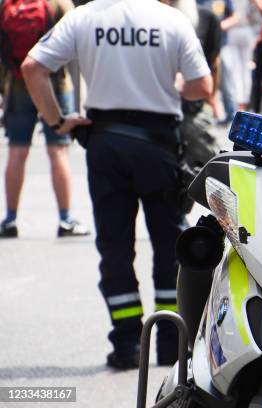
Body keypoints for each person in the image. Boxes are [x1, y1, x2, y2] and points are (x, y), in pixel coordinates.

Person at [22, 0, 212, 369]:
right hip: (158, 144)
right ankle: (171, 344)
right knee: (169, 245)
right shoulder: (170, 19)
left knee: (114, 246)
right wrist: (171, 84)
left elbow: (33, 67)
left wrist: (57, 121)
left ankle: (126, 344)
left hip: (106, 142)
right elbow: (201, 86)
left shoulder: (83, 17)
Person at [0, 0, 89, 238]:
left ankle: (10, 219)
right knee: (57, 151)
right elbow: (77, 48)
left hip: (17, 82)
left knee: (17, 151)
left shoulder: (8, 3)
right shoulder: (58, 3)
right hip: (55, 81)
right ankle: (65, 219)